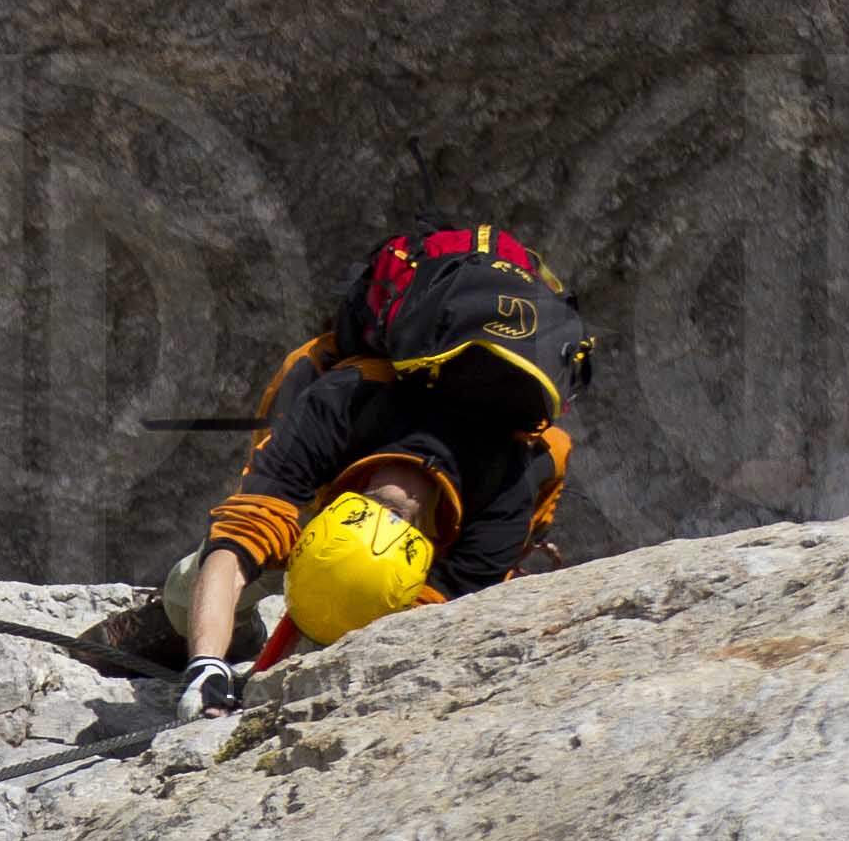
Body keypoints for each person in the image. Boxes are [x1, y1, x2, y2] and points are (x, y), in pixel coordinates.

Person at [83, 226, 599, 709]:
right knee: (188, 590)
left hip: (454, 527)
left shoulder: (512, 487)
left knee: (344, 624)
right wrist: (206, 666)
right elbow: (238, 537)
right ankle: (201, 624)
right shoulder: (338, 400)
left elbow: (437, 626)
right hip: (336, 456)